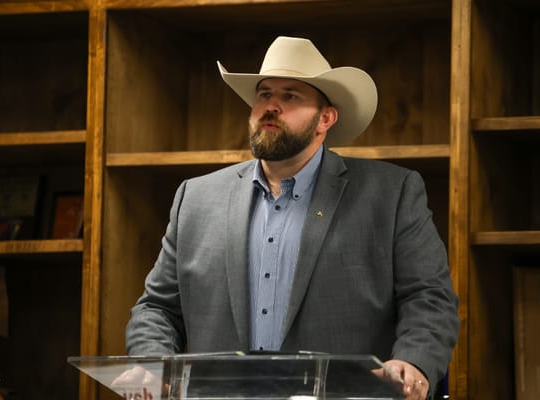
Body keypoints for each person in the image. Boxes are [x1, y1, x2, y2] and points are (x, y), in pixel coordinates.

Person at [125, 36, 459, 400]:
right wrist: (153, 362)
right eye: (264, 94)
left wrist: (414, 363)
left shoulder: (391, 194)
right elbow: (157, 308)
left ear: (325, 119)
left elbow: (429, 297)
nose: (271, 106)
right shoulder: (196, 198)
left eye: (290, 96)